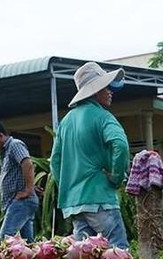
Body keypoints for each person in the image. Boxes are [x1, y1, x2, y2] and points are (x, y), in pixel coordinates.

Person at [50, 62, 131, 248]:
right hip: (100, 199)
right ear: (95, 91)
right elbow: (120, 144)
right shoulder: (103, 117)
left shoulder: (66, 122)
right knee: (119, 254)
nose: (111, 91)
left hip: (75, 205)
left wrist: (68, 185)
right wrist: (116, 177)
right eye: (106, 87)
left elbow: (55, 162)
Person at [0, 118, 39, 242]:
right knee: (26, 241)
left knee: (7, 236)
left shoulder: (14, 145)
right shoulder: (5, 152)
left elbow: (27, 163)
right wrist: (30, 187)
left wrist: (28, 189)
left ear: (0, 135)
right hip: (16, 201)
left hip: (21, 201)